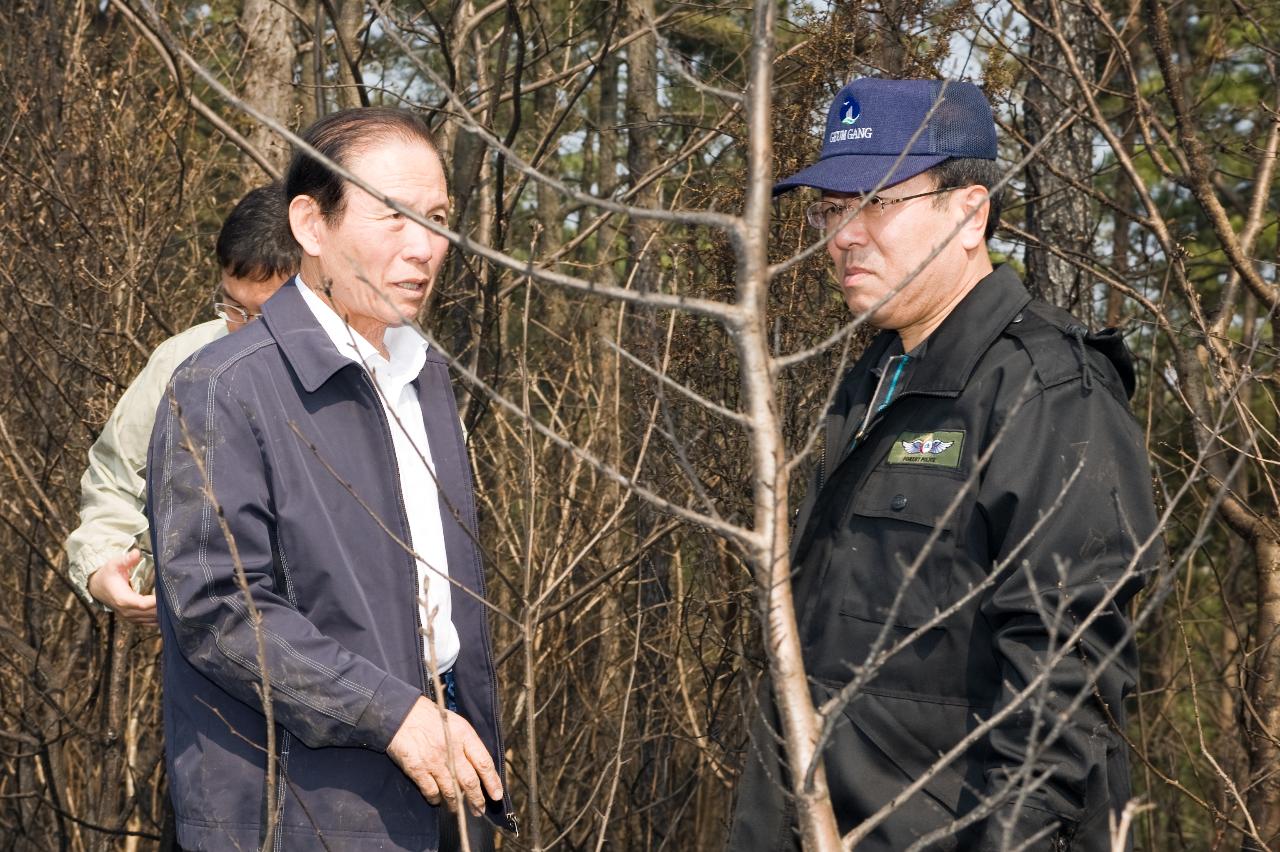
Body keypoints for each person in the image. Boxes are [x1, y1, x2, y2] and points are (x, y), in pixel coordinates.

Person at [729, 79, 1160, 850]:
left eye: (875, 203)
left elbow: (1066, 686)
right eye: (829, 209)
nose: (842, 237)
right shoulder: (873, 377)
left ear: (969, 210)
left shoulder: (1051, 390)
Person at [147, 107, 514, 851]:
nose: (427, 248)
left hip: (437, 785)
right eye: (397, 217)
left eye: (439, 217)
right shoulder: (222, 387)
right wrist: (395, 716)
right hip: (290, 806)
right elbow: (218, 610)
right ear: (311, 226)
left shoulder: (424, 376)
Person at [64, 184, 298, 623]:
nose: (243, 331)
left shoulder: (378, 370)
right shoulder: (181, 363)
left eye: (266, 317)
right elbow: (116, 478)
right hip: (213, 643)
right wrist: (104, 565)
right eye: (232, 307)